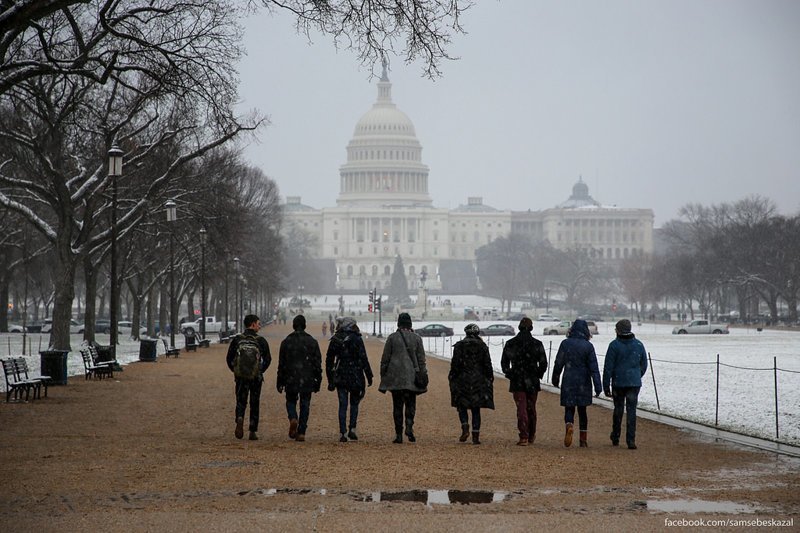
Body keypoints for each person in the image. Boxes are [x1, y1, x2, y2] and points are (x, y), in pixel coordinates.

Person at [551, 319, 601, 448]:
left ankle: (569, 424)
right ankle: (583, 439)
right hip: (584, 380)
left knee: (569, 407)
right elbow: (594, 368)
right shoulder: (588, 346)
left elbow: (558, 363)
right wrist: (598, 386)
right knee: (582, 411)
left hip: (569, 379)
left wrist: (555, 378)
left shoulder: (565, 344)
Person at [379, 312, 427, 443]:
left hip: (395, 378)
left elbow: (385, 359)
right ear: (410, 324)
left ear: (398, 324)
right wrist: (423, 374)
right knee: (411, 404)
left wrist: (383, 375)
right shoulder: (417, 338)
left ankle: (399, 434)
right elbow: (421, 360)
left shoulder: (392, 338)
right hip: (411, 377)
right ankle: (409, 426)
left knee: (397, 406)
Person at [500, 317, 548, 446]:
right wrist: (538, 373)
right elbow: (543, 363)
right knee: (531, 408)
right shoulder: (537, 344)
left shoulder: (511, 343)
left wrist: (510, 373)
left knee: (521, 408)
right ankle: (531, 434)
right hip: (532, 379)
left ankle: (524, 435)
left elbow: (504, 362)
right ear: (531, 328)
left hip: (517, 378)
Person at [326, 317, 373, 442]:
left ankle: (342, 432)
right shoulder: (357, 339)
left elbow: (329, 360)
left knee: (342, 404)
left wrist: (330, 378)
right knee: (354, 404)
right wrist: (369, 376)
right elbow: (364, 359)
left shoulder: (336, 339)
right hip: (356, 375)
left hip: (341, 375)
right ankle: (352, 428)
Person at [602, 319, 648, 449]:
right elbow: (644, 364)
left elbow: (608, 367)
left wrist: (606, 385)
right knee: (631, 411)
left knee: (618, 409)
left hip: (619, 381)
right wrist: (637, 375)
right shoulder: (638, 345)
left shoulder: (614, 345)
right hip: (633, 382)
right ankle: (631, 439)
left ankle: (616, 435)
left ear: (618, 330)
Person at [276, 315, 322, 442]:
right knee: (305, 404)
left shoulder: (286, 342)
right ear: (305, 325)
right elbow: (317, 364)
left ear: (293, 325)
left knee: (290, 401)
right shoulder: (312, 342)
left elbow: (281, 364)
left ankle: (292, 418)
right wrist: (318, 380)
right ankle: (301, 431)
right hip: (307, 378)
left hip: (290, 377)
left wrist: (279, 381)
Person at [226, 314, 271, 441]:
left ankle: (240, 417)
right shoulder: (260, 340)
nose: (259, 326)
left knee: (241, 400)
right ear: (252, 324)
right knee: (254, 402)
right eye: (258, 323)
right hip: (255, 377)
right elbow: (268, 359)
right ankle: (252, 430)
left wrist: (236, 371)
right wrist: (260, 370)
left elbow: (229, 358)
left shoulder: (238, 339)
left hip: (241, 376)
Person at [448, 323, 494, 444]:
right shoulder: (482, 346)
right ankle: (475, 435)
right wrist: (489, 378)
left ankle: (465, 426)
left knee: (462, 405)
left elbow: (455, 365)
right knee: (476, 408)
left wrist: (452, 377)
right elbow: (487, 364)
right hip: (478, 380)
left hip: (462, 379)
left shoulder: (460, 346)